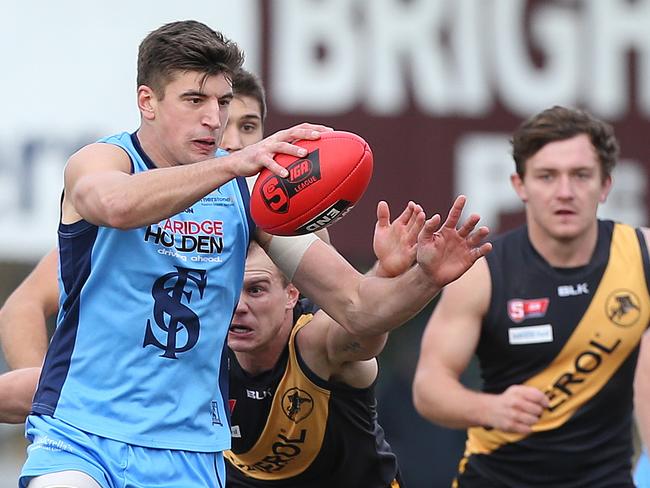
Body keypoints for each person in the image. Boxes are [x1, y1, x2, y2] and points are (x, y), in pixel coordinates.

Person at [11, 20, 491, 487]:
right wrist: (234, 164)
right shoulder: (105, 160)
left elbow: (360, 308)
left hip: (191, 449)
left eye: (222, 102)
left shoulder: (247, 198)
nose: (213, 119)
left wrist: (425, 278)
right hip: (82, 436)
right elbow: (113, 204)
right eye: (194, 100)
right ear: (147, 101)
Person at [412, 105, 650, 487]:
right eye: (547, 176)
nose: (565, 192)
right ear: (519, 185)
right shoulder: (484, 272)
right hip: (496, 478)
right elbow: (428, 388)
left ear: (605, 185)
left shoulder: (641, 255)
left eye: (581, 175)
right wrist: (491, 408)